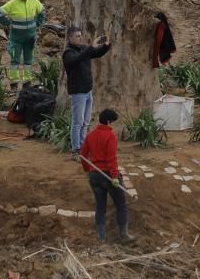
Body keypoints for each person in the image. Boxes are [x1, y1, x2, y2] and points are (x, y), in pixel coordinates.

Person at [78, 108, 131, 244]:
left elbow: (83, 156)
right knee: (121, 205)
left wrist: (88, 170)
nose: (112, 125)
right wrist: (114, 177)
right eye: (112, 122)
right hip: (108, 175)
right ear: (108, 121)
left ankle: (102, 238)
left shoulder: (90, 135)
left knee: (100, 206)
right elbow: (111, 159)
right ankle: (123, 235)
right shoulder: (110, 136)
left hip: (94, 176)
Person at [63, 27, 111, 153]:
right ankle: (75, 149)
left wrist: (106, 45)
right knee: (77, 123)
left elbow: (97, 53)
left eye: (80, 35)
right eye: (77, 36)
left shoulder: (84, 49)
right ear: (70, 38)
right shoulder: (68, 53)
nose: (80, 38)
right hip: (78, 93)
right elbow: (76, 59)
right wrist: (91, 47)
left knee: (85, 122)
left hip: (88, 91)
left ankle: (83, 146)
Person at [0, 0, 45, 85]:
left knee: (28, 59)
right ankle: (14, 81)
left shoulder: (34, 1)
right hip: (16, 38)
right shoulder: (13, 3)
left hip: (30, 37)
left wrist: (38, 24)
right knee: (15, 59)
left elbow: (42, 12)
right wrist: (7, 23)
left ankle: (27, 80)